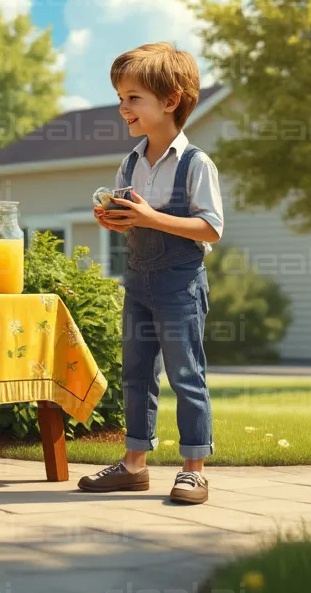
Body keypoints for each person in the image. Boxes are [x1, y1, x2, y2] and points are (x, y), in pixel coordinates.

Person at [80, 42, 224, 505]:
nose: (123, 108)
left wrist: (149, 218)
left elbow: (211, 228)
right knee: (136, 373)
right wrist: (115, 218)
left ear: (170, 100)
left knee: (186, 374)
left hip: (180, 283)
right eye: (121, 98)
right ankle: (134, 464)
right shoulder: (131, 162)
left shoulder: (195, 163)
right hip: (138, 281)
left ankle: (193, 470)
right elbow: (134, 216)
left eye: (133, 98)